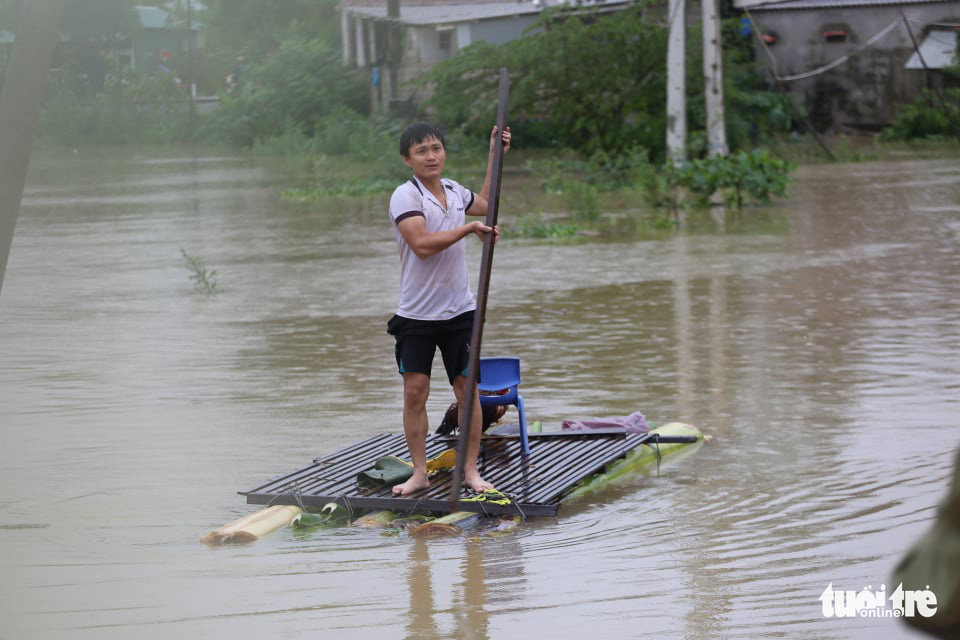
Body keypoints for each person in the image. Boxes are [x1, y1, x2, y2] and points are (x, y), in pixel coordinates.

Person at [387, 121, 511, 497]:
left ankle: (470, 470)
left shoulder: (455, 191)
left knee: (466, 392)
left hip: (460, 312)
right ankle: (420, 473)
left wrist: (494, 156)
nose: (431, 156)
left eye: (436, 148)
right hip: (416, 315)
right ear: (408, 159)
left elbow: (488, 205)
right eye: (421, 151)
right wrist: (468, 228)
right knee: (415, 392)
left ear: (444, 152)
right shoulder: (405, 196)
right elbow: (423, 244)